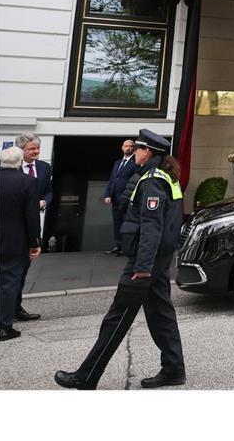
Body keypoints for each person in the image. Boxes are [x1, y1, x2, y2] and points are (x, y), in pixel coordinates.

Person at [55, 130, 186, 389]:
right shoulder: (164, 176)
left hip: (145, 262)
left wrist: (142, 267)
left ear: (147, 152)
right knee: (161, 315)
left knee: (117, 317)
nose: (135, 152)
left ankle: (86, 377)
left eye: (137, 149)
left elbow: (152, 227)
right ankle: (173, 369)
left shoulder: (151, 180)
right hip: (158, 259)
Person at [0, 147, 42, 341]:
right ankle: (3, 326)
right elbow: (31, 216)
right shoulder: (27, 182)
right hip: (14, 241)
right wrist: (35, 242)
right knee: (8, 283)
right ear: (19, 162)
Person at [13, 133, 50, 321]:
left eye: (37, 148)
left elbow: (49, 191)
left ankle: (15, 308)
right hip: (12, 228)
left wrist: (44, 201)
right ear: (21, 150)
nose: (36, 151)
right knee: (9, 272)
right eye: (32, 149)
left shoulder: (44, 167)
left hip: (33, 225)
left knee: (23, 270)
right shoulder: (9, 168)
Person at [102, 139, 137, 255]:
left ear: (134, 148)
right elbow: (112, 179)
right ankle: (118, 245)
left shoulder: (136, 162)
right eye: (126, 146)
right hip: (115, 198)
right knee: (117, 222)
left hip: (126, 198)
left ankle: (126, 248)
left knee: (127, 223)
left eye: (130, 146)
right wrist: (107, 194)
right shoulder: (117, 163)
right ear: (122, 148)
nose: (128, 148)